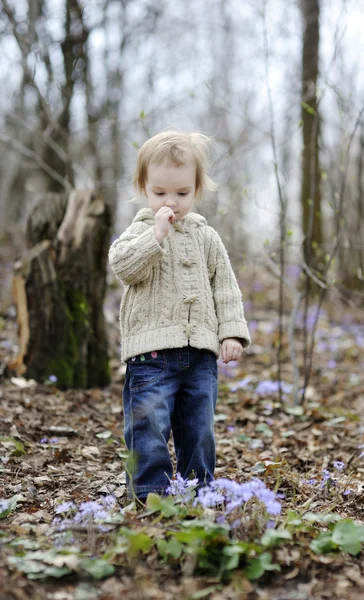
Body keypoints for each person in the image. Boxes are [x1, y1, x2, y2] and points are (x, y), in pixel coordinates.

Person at [108, 129, 251, 504]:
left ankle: (197, 493)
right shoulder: (139, 231)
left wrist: (231, 333)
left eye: (182, 193)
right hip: (151, 356)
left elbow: (225, 288)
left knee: (198, 428)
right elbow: (124, 268)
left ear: (197, 189)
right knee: (148, 425)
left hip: (201, 356)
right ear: (144, 187)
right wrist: (154, 237)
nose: (170, 201)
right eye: (160, 193)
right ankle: (149, 495)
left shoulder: (208, 238)